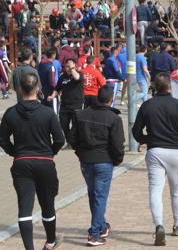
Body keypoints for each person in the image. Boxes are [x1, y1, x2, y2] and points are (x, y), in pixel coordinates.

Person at [0, 71, 65, 250]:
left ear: (19, 89)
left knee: (25, 207)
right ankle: (50, 241)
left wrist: (15, 153)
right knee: (47, 204)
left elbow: (2, 140)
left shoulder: (10, 113)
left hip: (21, 164)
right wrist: (51, 152)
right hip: (45, 162)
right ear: (38, 88)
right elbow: (60, 139)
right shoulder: (48, 113)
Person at [132, 73, 178, 245]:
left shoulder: (147, 105)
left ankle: (159, 225)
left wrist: (148, 140)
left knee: (155, 190)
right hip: (177, 152)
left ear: (154, 87)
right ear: (169, 87)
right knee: (176, 190)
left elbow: (136, 132)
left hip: (155, 152)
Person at [69, 85, 125, 246]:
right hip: (103, 161)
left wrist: (80, 152)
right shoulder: (114, 119)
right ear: (110, 100)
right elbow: (117, 144)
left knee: (94, 194)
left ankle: (100, 225)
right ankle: (94, 234)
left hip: (86, 160)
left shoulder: (81, 115)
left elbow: (72, 138)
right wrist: (117, 160)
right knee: (99, 196)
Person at [49, 58, 83, 145]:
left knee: (76, 125)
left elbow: (77, 78)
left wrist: (72, 69)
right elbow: (57, 89)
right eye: (67, 66)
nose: (68, 68)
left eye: (70, 66)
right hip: (65, 105)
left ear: (74, 66)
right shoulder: (62, 77)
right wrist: (52, 96)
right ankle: (70, 141)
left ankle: (74, 141)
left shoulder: (79, 74)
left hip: (76, 105)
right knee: (63, 124)